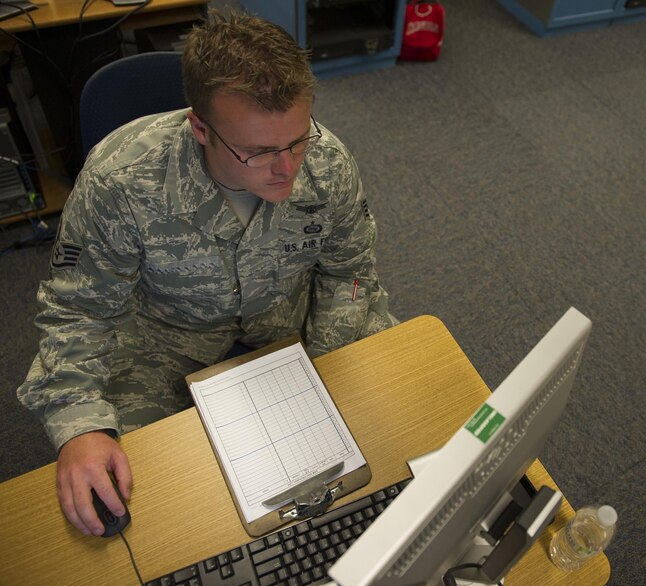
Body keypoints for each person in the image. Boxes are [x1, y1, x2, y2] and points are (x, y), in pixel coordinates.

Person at [16, 10, 397, 537]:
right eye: (259, 151)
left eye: (296, 139)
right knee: (152, 507)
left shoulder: (327, 163)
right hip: (166, 339)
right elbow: (77, 309)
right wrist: (80, 422)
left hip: (290, 321)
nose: (287, 168)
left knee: (388, 441)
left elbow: (350, 272)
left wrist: (329, 365)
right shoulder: (121, 180)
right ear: (200, 127)